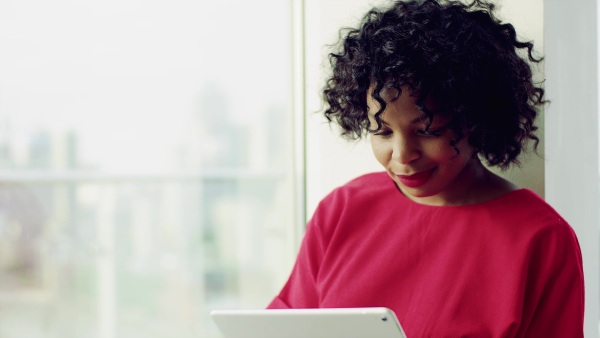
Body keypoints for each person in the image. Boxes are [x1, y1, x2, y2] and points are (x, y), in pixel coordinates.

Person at [267, 0, 585, 337]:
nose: (403, 156)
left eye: (427, 131)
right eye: (383, 131)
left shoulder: (541, 238)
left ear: (475, 119)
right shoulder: (342, 210)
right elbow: (284, 324)